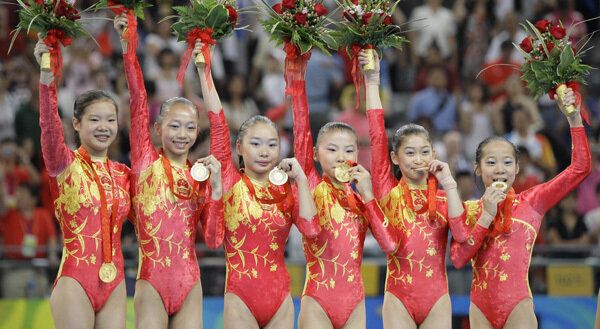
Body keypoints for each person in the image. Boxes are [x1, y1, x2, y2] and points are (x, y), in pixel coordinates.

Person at [196, 40, 320, 328]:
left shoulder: (286, 189)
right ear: (239, 147)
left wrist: (301, 179)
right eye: (255, 144)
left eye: (271, 144)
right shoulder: (230, 180)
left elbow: (312, 230)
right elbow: (217, 122)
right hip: (241, 298)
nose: (264, 152)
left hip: (280, 299)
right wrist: (204, 71)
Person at [114, 16, 225, 328]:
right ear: (158, 128)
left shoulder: (200, 176)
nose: (182, 134)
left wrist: (216, 190)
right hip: (152, 281)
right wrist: (128, 48)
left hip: (190, 283)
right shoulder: (146, 163)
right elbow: (138, 101)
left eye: (190, 127)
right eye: (174, 126)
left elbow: (215, 240)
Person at [451, 87, 591, 329]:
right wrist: (486, 215)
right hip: (480, 308)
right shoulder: (469, 209)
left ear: (517, 168)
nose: (499, 169)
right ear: (477, 169)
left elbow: (580, 169)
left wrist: (574, 118)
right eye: (491, 162)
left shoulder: (533, 201)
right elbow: (458, 259)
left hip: (518, 304)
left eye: (507, 162)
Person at [289, 48, 397, 329]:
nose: (340, 156)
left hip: (355, 303)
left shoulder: (361, 198)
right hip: (317, 302)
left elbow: (389, 244)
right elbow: (301, 130)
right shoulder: (312, 185)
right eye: (332, 149)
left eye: (349, 149)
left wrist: (370, 196)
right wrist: (298, 78)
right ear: (315, 154)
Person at [363, 50, 468, 329]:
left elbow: (461, 236)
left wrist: (449, 183)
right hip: (399, 297)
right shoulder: (388, 190)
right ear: (395, 158)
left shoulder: (445, 197)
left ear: (434, 152)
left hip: (437, 297)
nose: (419, 159)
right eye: (410, 153)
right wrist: (372, 81)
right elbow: (376, 134)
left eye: (424, 151)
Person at [35, 39, 131, 329]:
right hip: (76, 279)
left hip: (115, 281)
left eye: (110, 120)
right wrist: (46, 76)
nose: (104, 127)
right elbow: (49, 124)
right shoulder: (63, 164)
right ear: (76, 124)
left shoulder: (124, 173)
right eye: (95, 120)